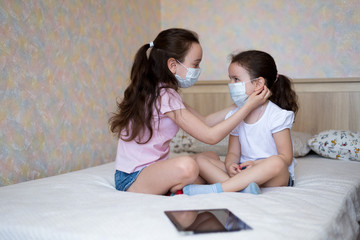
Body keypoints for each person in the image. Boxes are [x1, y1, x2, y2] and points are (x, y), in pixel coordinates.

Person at [108, 29, 270, 195]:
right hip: (132, 178)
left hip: (150, 171)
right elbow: (210, 136)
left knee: (211, 157)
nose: (198, 69)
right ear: (172, 65)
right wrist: (247, 107)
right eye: (195, 64)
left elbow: (205, 121)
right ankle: (236, 186)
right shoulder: (164, 95)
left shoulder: (162, 91)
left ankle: (184, 188)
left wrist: (238, 105)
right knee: (188, 166)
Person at [183, 50, 298, 195]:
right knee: (200, 159)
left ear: (259, 83)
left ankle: (220, 188)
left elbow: (286, 158)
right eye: (230, 79)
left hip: (273, 176)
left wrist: (256, 164)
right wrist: (231, 164)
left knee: (276, 162)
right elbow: (233, 152)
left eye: (236, 79)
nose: (231, 84)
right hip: (242, 171)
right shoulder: (235, 115)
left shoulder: (277, 116)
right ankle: (242, 188)